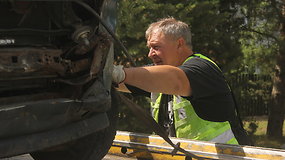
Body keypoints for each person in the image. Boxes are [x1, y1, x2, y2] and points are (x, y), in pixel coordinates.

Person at [112, 17, 252, 145]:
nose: (150, 54)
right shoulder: (160, 76)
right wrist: (102, 75)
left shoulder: (201, 68)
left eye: (156, 47)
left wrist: (119, 73)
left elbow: (176, 80)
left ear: (179, 44)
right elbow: (127, 81)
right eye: (149, 48)